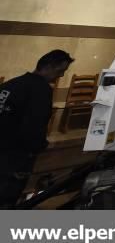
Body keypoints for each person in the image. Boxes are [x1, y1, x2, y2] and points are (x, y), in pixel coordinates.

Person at [0, 50, 74, 208]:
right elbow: (35, 125)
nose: (60, 76)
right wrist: (38, 147)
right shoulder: (40, 90)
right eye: (60, 71)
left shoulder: (11, 84)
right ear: (47, 66)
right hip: (15, 157)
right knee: (7, 199)